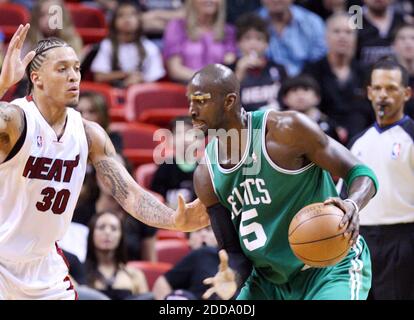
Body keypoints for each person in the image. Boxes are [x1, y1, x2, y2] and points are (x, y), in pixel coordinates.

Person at [0, 24, 209, 300]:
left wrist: (174, 220)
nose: (74, 76)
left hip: (45, 269)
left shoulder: (89, 134)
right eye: (62, 69)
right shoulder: (16, 120)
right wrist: (3, 85)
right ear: (36, 78)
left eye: (76, 68)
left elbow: (129, 194)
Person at [188, 63, 378, 300]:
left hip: (330, 267)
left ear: (229, 101)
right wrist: (231, 277)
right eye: (190, 102)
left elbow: (360, 172)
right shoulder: (205, 176)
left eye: (200, 101)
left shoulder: (286, 130)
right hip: (268, 282)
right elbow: (234, 254)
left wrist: (353, 203)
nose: (192, 111)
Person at [347, 58, 414, 300]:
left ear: (406, 93)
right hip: (361, 240)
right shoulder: (357, 142)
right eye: (377, 88)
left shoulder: (411, 136)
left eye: (391, 88)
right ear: (368, 92)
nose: (382, 95)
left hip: (404, 239)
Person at [302, 13, 373, 144]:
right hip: (321, 142)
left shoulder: (367, 73)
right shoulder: (311, 71)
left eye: (348, 32)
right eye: (336, 31)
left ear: (355, 38)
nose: (342, 36)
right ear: (325, 37)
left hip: (363, 143)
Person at [90, 1, 166, 88]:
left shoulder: (150, 47)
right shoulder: (107, 45)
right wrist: (125, 75)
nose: (127, 19)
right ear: (114, 21)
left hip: (141, 93)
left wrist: (139, 79)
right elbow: (99, 77)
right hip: (113, 92)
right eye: (121, 15)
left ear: (139, 20)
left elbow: (154, 78)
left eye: (132, 15)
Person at [162, 0, 237, 83]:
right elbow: (175, 70)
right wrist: (206, 79)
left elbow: (229, 65)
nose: (210, 1)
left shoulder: (228, 31)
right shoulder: (177, 26)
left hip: (217, 90)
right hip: (186, 88)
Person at [85, 211, 149, 300]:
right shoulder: (79, 273)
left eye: (114, 228)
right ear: (91, 233)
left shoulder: (135, 275)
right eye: (101, 227)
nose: (107, 232)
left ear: (121, 236)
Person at [230, 13, 287, 112]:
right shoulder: (228, 70)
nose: (253, 43)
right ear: (238, 43)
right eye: (247, 38)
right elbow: (224, 103)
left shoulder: (278, 69)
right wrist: (239, 74)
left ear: (266, 43)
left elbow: (287, 101)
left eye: (259, 38)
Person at [257, 0, 327, 76]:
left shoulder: (312, 22)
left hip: (307, 80)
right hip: (265, 82)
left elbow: (320, 58)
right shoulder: (252, 24)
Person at [152, 226, 221, 300]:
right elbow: (161, 283)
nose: (203, 234)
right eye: (197, 230)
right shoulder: (199, 254)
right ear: (189, 240)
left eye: (209, 230)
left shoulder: (230, 255)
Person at [151, 116, 198, 209]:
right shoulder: (165, 166)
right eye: (179, 134)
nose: (184, 139)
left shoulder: (203, 167)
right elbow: (156, 194)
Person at [279, 74, 341, 142]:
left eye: (306, 89)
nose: (300, 95)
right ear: (285, 99)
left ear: (317, 97)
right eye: (294, 90)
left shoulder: (329, 125)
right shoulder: (277, 124)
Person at [392, 23, 414, 118]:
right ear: (394, 45)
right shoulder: (388, 78)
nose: (408, 42)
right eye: (402, 38)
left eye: (413, 38)